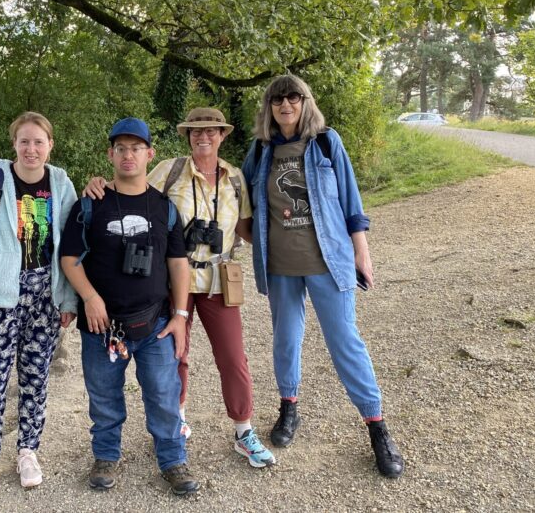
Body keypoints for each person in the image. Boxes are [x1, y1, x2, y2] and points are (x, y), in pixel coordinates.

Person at [82, 108, 275, 469]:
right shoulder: (169, 171)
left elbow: (249, 229)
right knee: (174, 355)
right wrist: (97, 186)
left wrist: (286, 240)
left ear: (222, 135)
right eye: (196, 132)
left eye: (211, 132)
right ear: (187, 137)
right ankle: (177, 420)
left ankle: (243, 430)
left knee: (233, 358)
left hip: (218, 279)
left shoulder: (234, 179)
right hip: (174, 281)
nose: (204, 138)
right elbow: (130, 186)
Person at [241, 74, 404, 478]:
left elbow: (352, 203)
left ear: (304, 102)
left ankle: (377, 427)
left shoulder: (326, 142)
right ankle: (288, 408)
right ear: (269, 107)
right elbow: (238, 197)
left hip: (328, 263)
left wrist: (361, 255)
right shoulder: (260, 151)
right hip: (280, 268)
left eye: (292, 97)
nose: (285, 105)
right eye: (277, 99)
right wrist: (248, 238)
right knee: (285, 340)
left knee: (345, 342)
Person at [60, 117, 200, 496]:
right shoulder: (88, 205)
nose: (128, 155)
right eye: (120, 148)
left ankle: (173, 460)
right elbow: (69, 258)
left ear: (149, 154)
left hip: (153, 324)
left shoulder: (164, 208)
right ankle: (106, 455)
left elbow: (178, 263)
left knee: (163, 396)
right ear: (110, 154)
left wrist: (181, 316)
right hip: (101, 328)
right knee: (104, 398)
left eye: (136, 148)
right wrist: (89, 297)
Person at [0, 112, 78, 492]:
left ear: (50, 145)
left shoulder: (59, 183)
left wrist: (68, 298)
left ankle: (28, 450)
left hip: (44, 297)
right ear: (14, 144)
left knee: (35, 378)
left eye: (38, 142)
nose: (31, 149)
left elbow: (73, 245)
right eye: (24, 141)